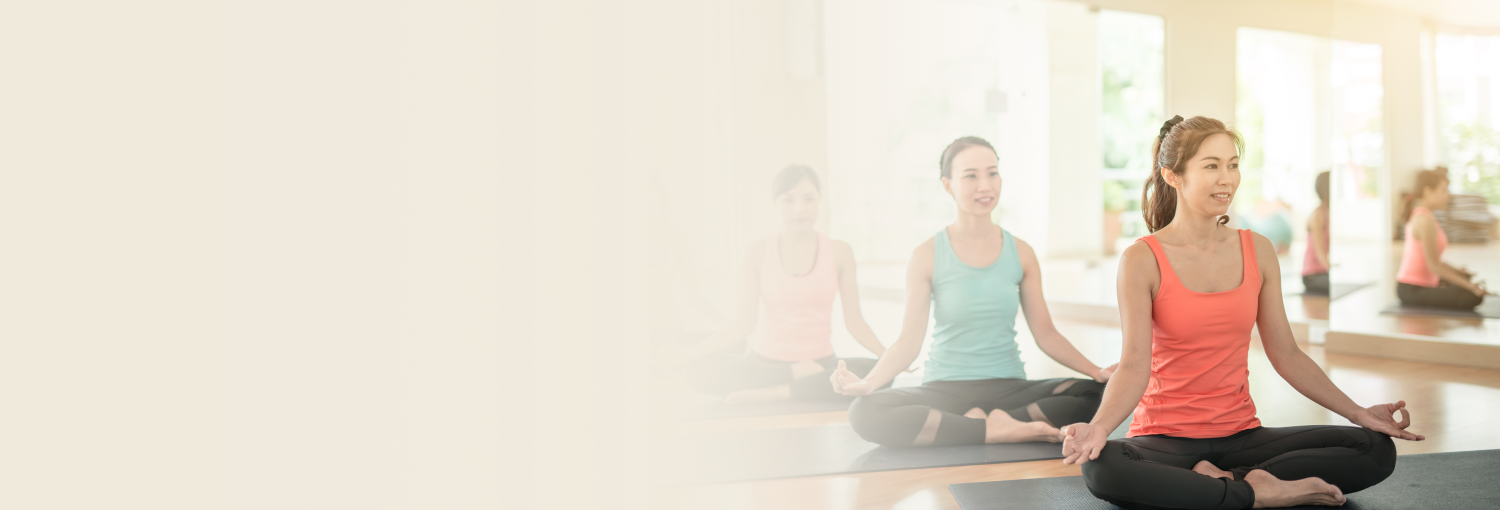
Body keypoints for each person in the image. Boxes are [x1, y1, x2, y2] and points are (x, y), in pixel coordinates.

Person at [1064, 116, 1421, 509]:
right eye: (1211, 166)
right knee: (1104, 466)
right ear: (1172, 176)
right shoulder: (1141, 259)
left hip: (1243, 439)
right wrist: (1099, 428)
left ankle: (1230, 485)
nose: (1226, 179)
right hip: (1166, 442)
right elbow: (1133, 365)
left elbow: (1286, 353)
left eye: (1232, 165)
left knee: (1373, 447)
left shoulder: (1258, 250)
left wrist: (1358, 412)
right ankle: (1256, 493)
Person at [828, 136, 1117, 447]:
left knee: (1096, 393)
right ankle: (1001, 430)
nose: (985, 185)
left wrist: (1096, 370)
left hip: (1009, 388)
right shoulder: (927, 254)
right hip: (945, 389)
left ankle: (987, 426)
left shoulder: (1021, 252)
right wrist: (869, 383)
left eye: (992, 173)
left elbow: (1045, 332)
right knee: (865, 411)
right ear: (948, 184)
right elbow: (908, 342)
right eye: (971, 176)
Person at [677, 165, 886, 403]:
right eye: (788, 201)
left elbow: (855, 323)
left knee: (880, 374)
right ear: (775, 203)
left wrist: (891, 359)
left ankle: (775, 393)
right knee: (697, 372)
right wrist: (686, 356)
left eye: (809, 199)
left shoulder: (840, 252)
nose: (799, 209)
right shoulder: (757, 252)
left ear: (819, 200)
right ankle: (794, 377)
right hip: (765, 363)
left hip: (820, 363)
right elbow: (742, 325)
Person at [1396, 168, 1488, 309]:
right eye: (1443, 190)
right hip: (1412, 289)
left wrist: (1459, 272)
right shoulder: (1424, 220)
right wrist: (1471, 287)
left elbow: (1434, 260)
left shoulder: (1427, 216)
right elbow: (1434, 266)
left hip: (1423, 284)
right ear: (1428, 191)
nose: (1448, 196)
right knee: (1472, 296)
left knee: (1465, 282)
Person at [1302, 171, 1330, 295]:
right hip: (1312, 276)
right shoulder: (1318, 214)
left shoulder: (1328, 211)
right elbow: (1320, 252)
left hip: (1322, 272)